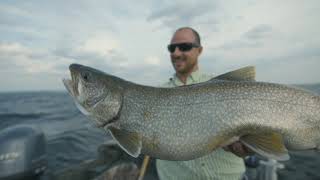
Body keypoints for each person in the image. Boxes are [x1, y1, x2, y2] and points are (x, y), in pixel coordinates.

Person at [156, 27, 251, 180]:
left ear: (199, 50)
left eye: (184, 47)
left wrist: (252, 143)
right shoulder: (156, 94)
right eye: (171, 48)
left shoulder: (226, 86)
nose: (176, 53)